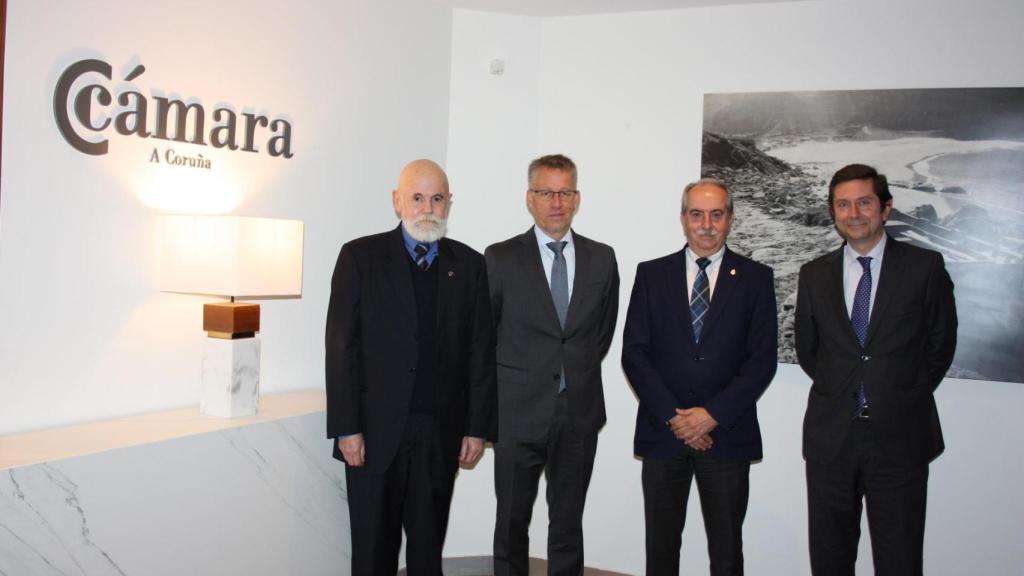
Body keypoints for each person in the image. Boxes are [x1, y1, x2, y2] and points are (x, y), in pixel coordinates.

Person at [325, 159, 497, 575]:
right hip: (373, 435)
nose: (427, 208)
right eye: (417, 198)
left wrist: (477, 427)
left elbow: (480, 351)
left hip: (440, 435)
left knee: (426, 553)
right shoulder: (360, 257)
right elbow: (341, 348)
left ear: (449, 203)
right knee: (372, 552)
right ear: (397, 200)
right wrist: (347, 427)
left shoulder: (470, 266)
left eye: (437, 199)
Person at [795, 163, 957, 576]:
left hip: (900, 438)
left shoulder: (924, 268)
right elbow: (809, 351)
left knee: (899, 557)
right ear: (833, 213)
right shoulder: (814, 275)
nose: (853, 214)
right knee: (830, 558)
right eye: (843, 205)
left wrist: (898, 391)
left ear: (885, 208)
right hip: (832, 439)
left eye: (864, 202)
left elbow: (940, 346)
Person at [621, 178, 777, 576]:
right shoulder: (651, 274)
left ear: (730, 219)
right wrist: (677, 417)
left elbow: (761, 361)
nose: (706, 224)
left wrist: (711, 415)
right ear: (683, 219)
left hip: (727, 435)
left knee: (726, 552)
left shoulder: (756, 278)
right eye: (696, 214)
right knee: (660, 548)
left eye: (716, 214)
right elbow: (635, 353)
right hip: (663, 433)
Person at [485, 154, 619, 576]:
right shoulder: (500, 258)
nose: (556, 202)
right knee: (511, 523)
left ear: (577, 198)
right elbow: (485, 335)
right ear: (530, 198)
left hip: (577, 413)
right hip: (516, 414)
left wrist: (568, 374)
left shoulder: (603, 258)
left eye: (564, 192)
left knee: (567, 524)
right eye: (546, 192)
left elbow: (601, 333)